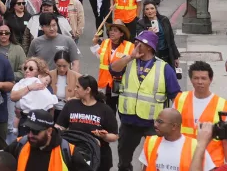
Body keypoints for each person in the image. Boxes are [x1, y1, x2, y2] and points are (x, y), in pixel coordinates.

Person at [110, 30, 181, 171]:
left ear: (149, 47)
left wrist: (173, 121)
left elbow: (177, 96)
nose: (136, 45)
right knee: (124, 161)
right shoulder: (128, 61)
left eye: (140, 43)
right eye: (135, 42)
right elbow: (113, 69)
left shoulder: (164, 68)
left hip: (153, 124)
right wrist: (130, 57)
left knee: (153, 160)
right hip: (128, 122)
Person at [0, 108, 91, 171]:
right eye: (29, 130)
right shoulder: (20, 144)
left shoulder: (68, 151)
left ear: (49, 131)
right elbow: (1, 165)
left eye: (36, 131)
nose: (31, 135)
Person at [57, 75, 119, 171]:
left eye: (78, 87)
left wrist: (104, 136)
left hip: (98, 158)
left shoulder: (105, 110)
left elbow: (114, 136)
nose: (75, 89)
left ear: (87, 90)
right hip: (73, 156)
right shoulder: (71, 105)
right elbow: (61, 127)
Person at [173, 61, 227, 166]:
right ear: (191, 80)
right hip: (185, 159)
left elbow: (226, 139)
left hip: (213, 162)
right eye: (196, 78)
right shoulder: (180, 99)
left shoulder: (223, 105)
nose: (200, 82)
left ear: (210, 80)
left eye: (203, 78)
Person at [140, 108, 214, 171]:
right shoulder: (151, 142)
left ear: (174, 126)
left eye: (160, 122)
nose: (155, 124)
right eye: (156, 121)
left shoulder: (195, 146)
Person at [91, 21, 134, 109]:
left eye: (115, 30)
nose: (111, 32)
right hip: (106, 84)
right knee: (109, 111)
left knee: (123, 110)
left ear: (121, 34)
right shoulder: (105, 43)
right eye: (111, 30)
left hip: (121, 84)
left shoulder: (129, 46)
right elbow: (101, 57)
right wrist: (95, 44)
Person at [133, 0, 180, 69]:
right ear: (144, 12)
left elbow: (171, 40)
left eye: (152, 8)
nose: (150, 11)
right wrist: (148, 33)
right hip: (152, 56)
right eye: (147, 9)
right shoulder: (140, 23)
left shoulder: (164, 20)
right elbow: (141, 41)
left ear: (156, 9)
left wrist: (175, 57)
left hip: (167, 55)